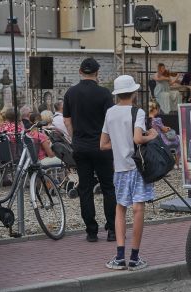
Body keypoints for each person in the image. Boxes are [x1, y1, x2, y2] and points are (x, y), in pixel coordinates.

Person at [101, 75, 158, 271]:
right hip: (137, 166)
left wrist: (119, 144)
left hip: (120, 168)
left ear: (117, 94)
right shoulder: (138, 111)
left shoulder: (110, 113)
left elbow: (103, 144)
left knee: (120, 209)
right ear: (133, 93)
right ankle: (134, 257)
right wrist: (151, 135)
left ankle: (119, 256)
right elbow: (137, 138)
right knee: (138, 209)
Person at [63, 57, 117, 243]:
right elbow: (111, 121)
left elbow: (67, 121)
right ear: (97, 73)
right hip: (101, 147)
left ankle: (91, 231)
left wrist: (74, 138)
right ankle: (111, 230)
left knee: (85, 189)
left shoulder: (70, 93)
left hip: (80, 147)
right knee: (109, 187)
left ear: (80, 71)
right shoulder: (104, 94)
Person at [148, 102, 181, 168]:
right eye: (158, 109)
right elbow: (164, 130)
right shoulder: (157, 120)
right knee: (178, 141)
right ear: (155, 110)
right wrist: (168, 128)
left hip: (151, 139)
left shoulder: (146, 119)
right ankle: (177, 164)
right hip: (161, 139)